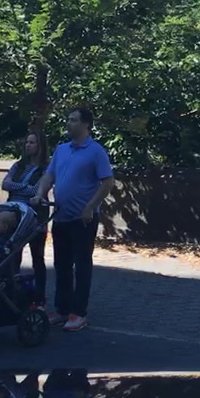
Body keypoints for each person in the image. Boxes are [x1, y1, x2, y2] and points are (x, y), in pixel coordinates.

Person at [34, 107, 115, 332]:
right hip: (61, 216)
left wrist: (90, 207)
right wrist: (40, 193)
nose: (69, 123)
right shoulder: (61, 150)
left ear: (86, 124)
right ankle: (62, 309)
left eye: (73, 120)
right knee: (61, 264)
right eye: (68, 119)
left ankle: (79, 313)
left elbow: (107, 182)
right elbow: (49, 175)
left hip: (83, 219)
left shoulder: (96, 151)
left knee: (81, 265)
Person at [3, 132, 49, 307]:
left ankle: (39, 297)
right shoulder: (18, 165)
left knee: (37, 257)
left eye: (32, 142)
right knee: (13, 255)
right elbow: (5, 184)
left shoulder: (46, 169)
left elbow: (37, 190)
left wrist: (18, 188)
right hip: (14, 213)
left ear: (40, 146)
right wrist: (24, 186)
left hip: (35, 215)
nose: (28, 145)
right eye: (27, 142)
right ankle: (14, 295)